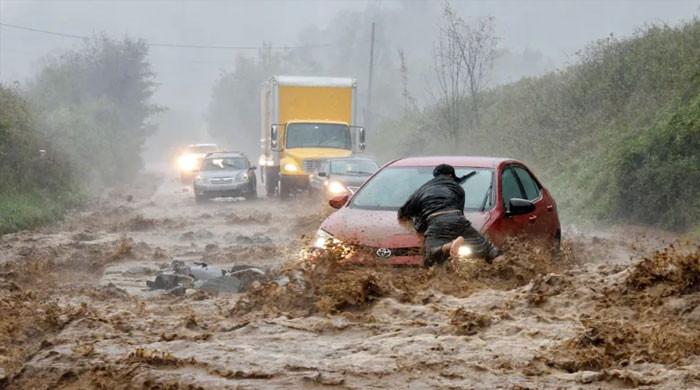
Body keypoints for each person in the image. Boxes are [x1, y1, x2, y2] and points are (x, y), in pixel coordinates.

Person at [398, 164, 500, 267]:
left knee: (429, 257)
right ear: (451, 176)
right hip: (457, 219)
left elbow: (402, 214)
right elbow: (459, 214)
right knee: (490, 249)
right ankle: (504, 268)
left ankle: (449, 246)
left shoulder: (421, 190)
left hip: (436, 221)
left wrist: (416, 229)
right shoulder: (458, 188)